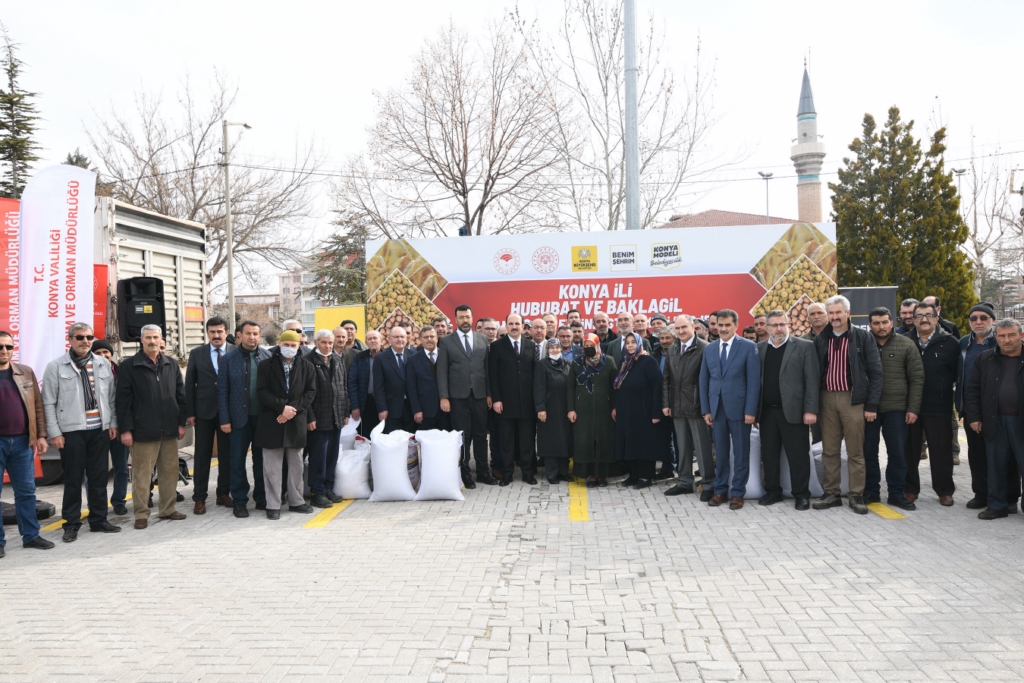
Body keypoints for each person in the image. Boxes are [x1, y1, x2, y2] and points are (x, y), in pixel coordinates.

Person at [41, 323, 121, 541]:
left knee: (98, 479)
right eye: (80, 337)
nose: (85, 341)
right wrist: (55, 433)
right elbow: (48, 403)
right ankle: (71, 524)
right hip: (71, 432)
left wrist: (112, 423)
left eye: (89, 337)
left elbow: (111, 398)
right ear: (70, 340)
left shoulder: (103, 364)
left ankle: (99, 520)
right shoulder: (56, 367)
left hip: (99, 430)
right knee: (74, 479)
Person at [812, 295, 883, 515]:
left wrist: (871, 405)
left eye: (838, 312)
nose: (834, 317)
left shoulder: (862, 337)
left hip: (853, 399)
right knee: (829, 450)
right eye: (830, 313)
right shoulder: (821, 339)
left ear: (847, 313)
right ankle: (831, 493)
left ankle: (856, 495)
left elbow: (876, 372)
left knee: (855, 451)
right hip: (826, 399)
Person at [117, 324, 187, 529]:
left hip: (169, 430)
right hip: (142, 430)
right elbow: (123, 401)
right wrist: (126, 429)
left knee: (170, 472)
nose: (152, 341)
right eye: (148, 337)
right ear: (141, 340)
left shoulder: (171, 364)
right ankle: (141, 514)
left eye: (155, 337)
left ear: (161, 339)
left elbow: (180, 396)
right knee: (142, 475)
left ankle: (167, 509)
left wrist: (181, 423)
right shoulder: (129, 366)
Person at [756, 310, 819, 510]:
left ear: (788, 324)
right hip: (766, 413)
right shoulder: (758, 349)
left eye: (782, 324)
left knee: (798, 456)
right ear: (767, 327)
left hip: (795, 411)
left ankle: (801, 494)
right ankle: (773, 491)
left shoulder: (804, 347)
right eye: (774, 325)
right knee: (770, 455)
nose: (779, 328)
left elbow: (812, 381)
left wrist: (810, 410)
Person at [956, 303, 1017, 510]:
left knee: (1007, 457)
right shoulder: (964, 343)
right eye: (974, 318)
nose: (978, 322)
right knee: (978, 455)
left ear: (993, 321)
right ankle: (982, 494)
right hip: (973, 409)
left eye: (983, 317)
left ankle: (1009, 497)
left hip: (1002, 411)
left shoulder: (1001, 341)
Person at [0, 330, 55, 556]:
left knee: (26, 492)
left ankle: (31, 536)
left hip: (22, 442)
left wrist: (41, 435)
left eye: (8, 347)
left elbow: (38, 406)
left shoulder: (25, 373)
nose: (4, 351)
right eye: (0, 347)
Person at [700, 309, 760, 510]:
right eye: (719, 324)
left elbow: (753, 382)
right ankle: (720, 491)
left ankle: (738, 493)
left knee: (741, 453)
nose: (723, 328)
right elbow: (704, 381)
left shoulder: (748, 347)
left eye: (727, 325)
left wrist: (751, 410)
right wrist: (706, 409)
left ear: (736, 325)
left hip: (740, 409)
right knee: (721, 453)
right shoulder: (709, 349)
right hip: (717, 410)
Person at [864, 306, 923, 511]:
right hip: (868, 410)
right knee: (868, 453)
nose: (881, 327)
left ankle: (896, 494)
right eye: (877, 323)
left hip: (897, 409)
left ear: (891, 322)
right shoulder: (863, 344)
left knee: (897, 454)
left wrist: (913, 408)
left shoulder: (906, 344)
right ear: (870, 325)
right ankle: (871, 491)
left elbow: (917, 379)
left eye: (885, 322)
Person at [965, 319, 1024, 520]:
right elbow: (972, 390)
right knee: (995, 465)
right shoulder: (985, 359)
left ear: (1021, 336)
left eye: (1011, 335)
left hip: (1021, 422)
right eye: (1002, 336)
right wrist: (974, 416)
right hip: (994, 420)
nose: (1006, 340)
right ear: (996, 337)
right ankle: (997, 505)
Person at [904, 301, 960, 506]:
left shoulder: (951, 343)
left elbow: (956, 374)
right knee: (909, 450)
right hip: (910, 407)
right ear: (913, 319)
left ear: (937, 318)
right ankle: (910, 489)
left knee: (941, 451)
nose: (924, 319)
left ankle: (944, 490)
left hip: (939, 405)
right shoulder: (904, 341)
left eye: (929, 315)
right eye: (919, 316)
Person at [255, 330, 316, 519]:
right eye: (286, 344)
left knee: (296, 464)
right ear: (279, 344)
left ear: (299, 347)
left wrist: (291, 410)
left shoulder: (307, 366)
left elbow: (310, 392)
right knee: (272, 467)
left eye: (293, 345)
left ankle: (296, 501)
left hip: (295, 421)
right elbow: (262, 392)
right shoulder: (266, 366)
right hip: (272, 420)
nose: (289, 348)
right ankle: (272, 505)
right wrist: (282, 408)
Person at [437, 304, 495, 488]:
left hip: (479, 395)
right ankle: (464, 474)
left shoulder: (482, 339)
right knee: (462, 437)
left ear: (472, 318)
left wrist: (488, 393)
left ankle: (483, 472)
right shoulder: (446, 341)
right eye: (461, 317)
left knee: (480, 435)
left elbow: (486, 369)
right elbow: (442, 371)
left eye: (467, 317)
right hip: (457, 397)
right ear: (455, 320)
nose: (464, 320)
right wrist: (444, 397)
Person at [219, 320, 272, 519]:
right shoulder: (229, 359)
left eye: (255, 334)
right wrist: (225, 419)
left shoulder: (267, 356)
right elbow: (222, 392)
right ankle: (240, 501)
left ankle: (261, 497)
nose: (252, 337)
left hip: (263, 419)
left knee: (261, 460)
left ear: (260, 336)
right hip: (237, 419)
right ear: (239, 335)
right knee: (237, 461)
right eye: (248, 333)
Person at [184, 316, 234, 515]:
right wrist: (190, 412)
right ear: (207, 333)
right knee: (202, 456)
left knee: (226, 456)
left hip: (228, 414)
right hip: (203, 413)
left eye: (220, 331)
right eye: (212, 332)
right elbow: (189, 384)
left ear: (226, 332)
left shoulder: (234, 352)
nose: (216, 335)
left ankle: (223, 493)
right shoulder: (197, 353)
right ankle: (199, 498)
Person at [663, 315, 714, 501]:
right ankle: (684, 482)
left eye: (684, 327)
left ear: (693, 327)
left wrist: (707, 408)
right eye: (677, 329)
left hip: (697, 407)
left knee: (702, 448)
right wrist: (666, 403)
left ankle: (709, 484)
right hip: (677, 407)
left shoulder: (705, 348)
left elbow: (709, 381)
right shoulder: (673, 349)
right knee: (682, 447)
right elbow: (666, 379)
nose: (681, 331)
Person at [489, 313, 538, 485]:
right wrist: (496, 399)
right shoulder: (496, 347)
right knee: (506, 441)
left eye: (518, 323)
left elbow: (536, 375)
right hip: (504, 403)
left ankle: (527, 473)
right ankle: (507, 474)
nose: (515, 326)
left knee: (527, 441)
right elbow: (493, 376)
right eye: (511, 324)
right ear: (506, 325)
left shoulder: (531, 346)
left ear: (523, 326)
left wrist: (536, 401)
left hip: (527, 403)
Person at [613, 332, 665, 489]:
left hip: (645, 411)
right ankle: (633, 475)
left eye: (633, 342)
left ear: (639, 344)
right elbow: (618, 387)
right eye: (627, 342)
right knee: (630, 443)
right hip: (627, 412)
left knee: (644, 444)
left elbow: (657, 387)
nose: (630, 345)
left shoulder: (648, 361)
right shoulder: (625, 363)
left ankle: (646, 476)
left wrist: (657, 412)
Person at [305, 329, 350, 507]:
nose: (328, 346)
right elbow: (305, 393)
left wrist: (345, 412)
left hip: (336, 417)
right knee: (318, 456)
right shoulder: (307, 361)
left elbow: (343, 388)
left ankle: (327, 487)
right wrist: (310, 417)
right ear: (316, 342)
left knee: (332, 455)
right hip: (318, 418)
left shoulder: (337, 360)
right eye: (324, 342)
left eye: (330, 343)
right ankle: (317, 490)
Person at [568, 334, 617, 488]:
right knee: (585, 441)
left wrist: (615, 407)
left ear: (597, 345)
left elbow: (615, 385)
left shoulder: (608, 361)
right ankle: (589, 475)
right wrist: (571, 409)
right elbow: (570, 387)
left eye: (592, 345)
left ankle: (602, 475)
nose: (589, 348)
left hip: (605, 409)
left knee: (603, 440)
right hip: (582, 410)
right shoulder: (577, 363)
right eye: (586, 345)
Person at [92, 340, 130, 515]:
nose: (102, 356)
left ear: (111, 354)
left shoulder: (123, 372)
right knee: (95, 469)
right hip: (97, 427)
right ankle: (96, 504)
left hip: (121, 427)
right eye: (98, 353)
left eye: (105, 352)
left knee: (121, 467)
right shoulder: (88, 373)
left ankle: (119, 500)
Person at [535, 338, 572, 485]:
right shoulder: (541, 365)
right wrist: (540, 408)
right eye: (552, 348)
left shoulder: (568, 363)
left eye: (557, 347)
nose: (555, 350)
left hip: (565, 408)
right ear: (548, 350)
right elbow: (538, 388)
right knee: (551, 441)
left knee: (565, 440)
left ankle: (563, 472)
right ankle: (551, 473)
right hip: (548, 409)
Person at [373, 327, 415, 434]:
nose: (400, 339)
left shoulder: (413, 355)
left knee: (411, 443)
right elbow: (378, 387)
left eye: (402, 337)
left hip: (411, 409)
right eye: (396, 337)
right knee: (393, 443)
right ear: (389, 339)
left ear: (407, 338)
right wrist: (382, 409)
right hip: (391, 409)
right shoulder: (380, 358)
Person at [407, 326, 446, 431]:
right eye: (426, 337)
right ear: (421, 340)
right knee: (426, 445)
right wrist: (416, 410)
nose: (429, 339)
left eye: (432, 336)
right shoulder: (413, 360)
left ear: (437, 338)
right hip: (425, 411)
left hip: (446, 410)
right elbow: (411, 387)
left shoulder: (446, 355)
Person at [349, 329, 383, 438]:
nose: (373, 341)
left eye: (375, 338)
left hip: (383, 403)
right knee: (365, 436)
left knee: (381, 435)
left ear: (381, 341)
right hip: (365, 403)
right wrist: (355, 406)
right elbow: (353, 382)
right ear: (366, 342)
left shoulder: (387, 357)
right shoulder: (359, 357)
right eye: (370, 339)